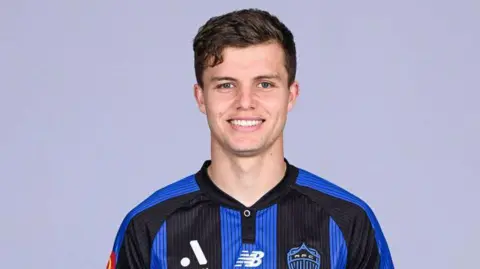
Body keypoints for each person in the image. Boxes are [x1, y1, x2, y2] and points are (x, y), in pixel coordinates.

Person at [106, 8, 394, 269]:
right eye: (226, 85)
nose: (245, 102)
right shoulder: (150, 225)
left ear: (290, 95)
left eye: (265, 84)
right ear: (201, 97)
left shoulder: (348, 221)